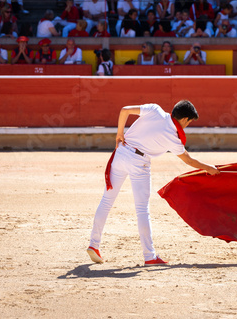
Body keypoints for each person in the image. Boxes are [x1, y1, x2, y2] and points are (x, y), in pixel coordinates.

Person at [87, 100, 219, 265]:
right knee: (142, 209)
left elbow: (124, 110)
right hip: (139, 162)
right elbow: (189, 160)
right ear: (185, 119)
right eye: (189, 122)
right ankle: (149, 256)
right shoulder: (174, 137)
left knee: (106, 200)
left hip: (121, 152)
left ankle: (94, 244)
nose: (187, 126)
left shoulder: (155, 110)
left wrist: (119, 133)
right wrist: (209, 168)